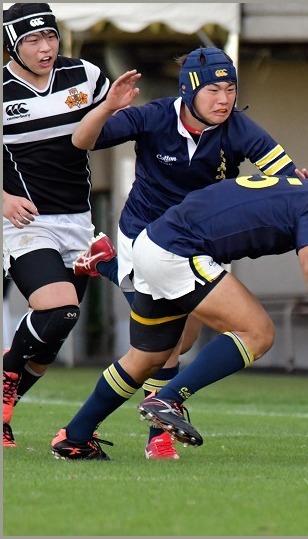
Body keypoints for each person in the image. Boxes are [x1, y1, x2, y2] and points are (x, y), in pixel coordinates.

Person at [50, 165, 308, 460]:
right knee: (258, 332)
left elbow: (304, 211)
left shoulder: (300, 190)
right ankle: (168, 398)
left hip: (151, 243)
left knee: (146, 358)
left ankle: (75, 437)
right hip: (181, 252)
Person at [69, 47, 299, 459]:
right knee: (174, 343)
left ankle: (80, 432)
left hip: (201, 245)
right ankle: (157, 429)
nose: (224, 99)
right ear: (189, 90)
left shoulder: (239, 127)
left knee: (167, 346)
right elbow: (81, 140)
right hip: (146, 240)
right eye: (214, 89)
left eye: (230, 89)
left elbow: (286, 176)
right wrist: (107, 108)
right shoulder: (154, 116)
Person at [2, 3, 111, 449]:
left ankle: (4, 408)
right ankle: (5, 376)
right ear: (12, 43)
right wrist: (2, 198)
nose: (45, 48)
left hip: (78, 223)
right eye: (32, 40)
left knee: (51, 343)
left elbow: (121, 125)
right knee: (58, 307)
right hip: (26, 223)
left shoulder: (85, 76)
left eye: (50, 36)